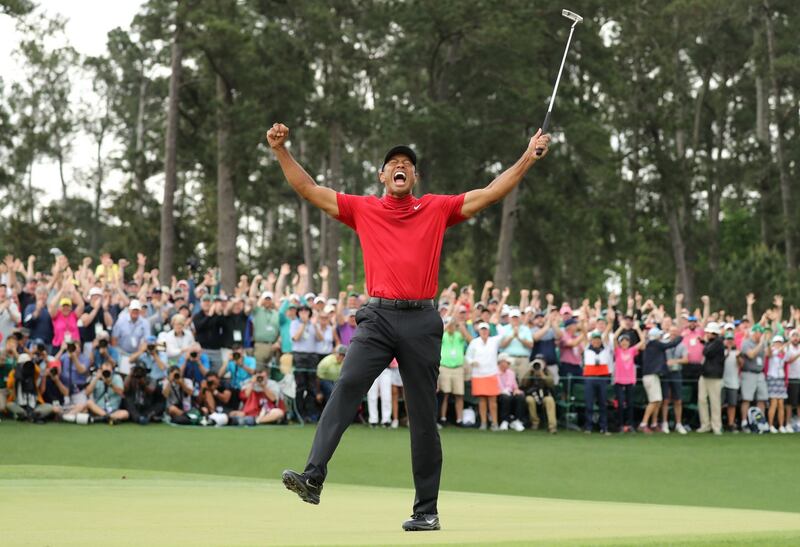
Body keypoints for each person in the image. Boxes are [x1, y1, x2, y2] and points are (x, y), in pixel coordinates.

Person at [268, 121, 550, 531]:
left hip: (421, 320)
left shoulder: (436, 208)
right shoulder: (363, 208)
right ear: (382, 175)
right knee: (347, 386)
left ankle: (426, 511)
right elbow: (310, 189)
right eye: (393, 163)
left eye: (407, 164)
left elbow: (490, 193)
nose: (400, 166)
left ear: (414, 176)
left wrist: (527, 157)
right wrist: (281, 150)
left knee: (422, 415)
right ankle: (313, 477)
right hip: (378, 318)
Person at [639, 327, 683, 433]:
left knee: (658, 400)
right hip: (651, 375)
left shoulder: (651, 344)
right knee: (654, 400)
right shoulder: (654, 344)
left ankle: (654, 423)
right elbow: (671, 344)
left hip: (654, 375)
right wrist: (681, 337)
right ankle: (643, 423)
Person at [466, 322, 503, 431]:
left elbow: (503, 334)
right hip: (478, 374)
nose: (484, 331)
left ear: (489, 331)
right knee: (482, 401)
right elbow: (468, 356)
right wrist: (472, 362)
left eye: (486, 329)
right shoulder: (474, 342)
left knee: (493, 401)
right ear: (479, 331)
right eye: (482, 329)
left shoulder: (494, 341)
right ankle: (483, 423)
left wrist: (497, 324)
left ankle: (495, 423)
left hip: (491, 373)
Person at [582, 324, 614, 435]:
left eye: (598, 339)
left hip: (602, 378)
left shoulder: (605, 349)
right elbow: (584, 334)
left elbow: (607, 334)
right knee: (589, 404)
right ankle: (588, 427)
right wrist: (583, 322)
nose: (596, 341)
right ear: (591, 341)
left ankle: (604, 427)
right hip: (590, 378)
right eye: (594, 339)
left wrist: (610, 323)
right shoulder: (587, 348)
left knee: (603, 403)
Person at [438, 316, 471, 427]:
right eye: (449, 324)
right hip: (445, 367)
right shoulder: (444, 335)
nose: (451, 326)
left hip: (458, 368)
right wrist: (448, 325)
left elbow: (469, 339)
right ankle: (443, 418)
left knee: (459, 395)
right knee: (445, 394)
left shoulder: (458, 335)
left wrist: (460, 324)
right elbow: (438, 334)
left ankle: (459, 419)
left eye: (452, 325)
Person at [613, 323, 645, 433]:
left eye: (626, 341)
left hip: (630, 381)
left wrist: (637, 329)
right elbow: (614, 338)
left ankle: (630, 425)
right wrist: (621, 327)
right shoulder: (617, 351)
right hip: (619, 381)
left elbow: (642, 341)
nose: (624, 343)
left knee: (630, 404)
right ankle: (620, 425)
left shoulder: (632, 351)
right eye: (622, 341)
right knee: (620, 404)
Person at [6, 353, 53, 422]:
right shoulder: (13, 373)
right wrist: (16, 374)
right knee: (9, 405)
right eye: (22, 364)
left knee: (49, 406)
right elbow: (9, 385)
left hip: (34, 405)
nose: (25, 367)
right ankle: (27, 415)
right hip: (19, 404)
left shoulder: (34, 374)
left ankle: (31, 415)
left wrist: (31, 364)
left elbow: (39, 371)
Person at [739, 325, 769, 433]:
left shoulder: (763, 343)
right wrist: (761, 344)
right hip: (749, 373)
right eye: (759, 333)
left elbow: (768, 354)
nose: (761, 335)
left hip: (760, 373)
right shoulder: (746, 343)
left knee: (762, 398)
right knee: (747, 399)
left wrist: (767, 344)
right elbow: (751, 355)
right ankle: (744, 422)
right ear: (754, 333)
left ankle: (761, 422)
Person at [660, 325, 689, 434]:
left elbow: (686, 360)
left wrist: (675, 361)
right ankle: (664, 423)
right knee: (665, 399)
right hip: (666, 373)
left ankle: (678, 423)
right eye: (671, 332)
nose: (673, 334)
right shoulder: (664, 343)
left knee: (678, 400)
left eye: (675, 332)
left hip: (676, 373)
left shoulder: (682, 345)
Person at [697, 322, 724, 435]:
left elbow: (707, 352)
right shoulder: (711, 343)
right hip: (705, 375)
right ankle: (705, 425)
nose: (707, 334)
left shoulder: (718, 342)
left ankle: (716, 426)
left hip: (714, 376)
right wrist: (705, 342)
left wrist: (705, 343)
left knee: (714, 402)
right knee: (702, 400)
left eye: (708, 332)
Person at [523, 355, 557, 433]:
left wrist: (543, 376)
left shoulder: (547, 371)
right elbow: (524, 383)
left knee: (550, 400)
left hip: (544, 396)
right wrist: (530, 372)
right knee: (529, 399)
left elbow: (551, 384)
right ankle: (535, 422)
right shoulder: (530, 371)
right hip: (533, 395)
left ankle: (552, 426)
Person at [498, 309, 533, 383]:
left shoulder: (526, 329)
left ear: (520, 318)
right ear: (509, 318)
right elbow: (501, 345)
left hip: (523, 359)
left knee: (524, 382)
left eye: (516, 318)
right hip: (508, 359)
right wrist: (512, 336)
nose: (515, 319)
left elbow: (531, 345)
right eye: (513, 318)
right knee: (508, 382)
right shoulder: (503, 329)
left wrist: (519, 338)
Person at [251, 291, 281, 371]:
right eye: (265, 299)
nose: (267, 301)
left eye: (269, 299)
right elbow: (252, 299)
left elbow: (281, 330)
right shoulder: (257, 311)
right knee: (259, 370)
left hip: (273, 346)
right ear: (262, 300)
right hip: (260, 345)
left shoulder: (276, 314)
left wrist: (278, 342)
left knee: (270, 372)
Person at [765, 335, 789, 433]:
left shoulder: (784, 352)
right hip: (772, 378)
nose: (778, 344)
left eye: (780, 342)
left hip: (781, 379)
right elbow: (769, 354)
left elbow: (787, 358)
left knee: (781, 404)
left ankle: (781, 426)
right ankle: (771, 425)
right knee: (773, 403)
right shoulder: (772, 350)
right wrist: (778, 349)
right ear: (773, 343)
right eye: (777, 342)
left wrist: (783, 351)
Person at [496, 353, 526, 432]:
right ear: (501, 362)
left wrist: (516, 390)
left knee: (520, 396)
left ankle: (517, 420)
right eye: (507, 362)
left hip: (510, 393)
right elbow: (495, 386)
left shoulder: (511, 373)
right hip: (498, 394)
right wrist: (503, 391)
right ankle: (504, 421)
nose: (509, 364)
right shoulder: (494, 372)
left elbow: (514, 386)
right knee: (505, 397)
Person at [721, 332, 741, 432]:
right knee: (720, 404)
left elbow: (741, 365)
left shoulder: (737, 352)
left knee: (732, 404)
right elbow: (719, 363)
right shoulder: (720, 351)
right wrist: (727, 353)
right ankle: (718, 424)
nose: (729, 341)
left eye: (731, 339)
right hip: (722, 382)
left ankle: (731, 424)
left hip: (733, 381)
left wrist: (737, 357)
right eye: (728, 339)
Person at [784, 329, 800, 430]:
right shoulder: (788, 348)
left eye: (797, 336)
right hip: (791, 378)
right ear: (790, 338)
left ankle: (799, 423)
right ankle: (788, 423)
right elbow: (788, 361)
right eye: (793, 336)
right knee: (790, 403)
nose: (795, 338)